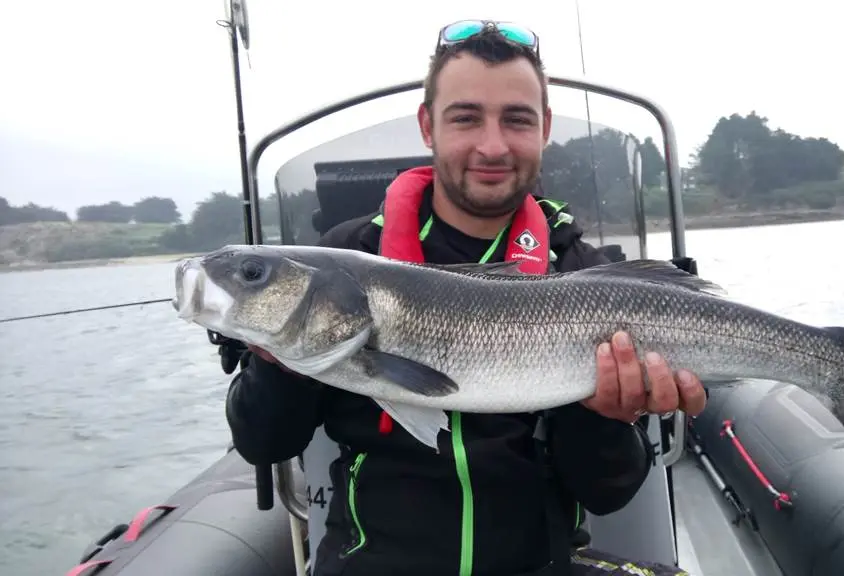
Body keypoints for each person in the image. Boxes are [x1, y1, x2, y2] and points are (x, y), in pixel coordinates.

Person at [225, 19, 707, 576]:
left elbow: (606, 493)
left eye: (517, 120)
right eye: (466, 118)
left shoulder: (583, 274)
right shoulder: (346, 258)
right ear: (428, 126)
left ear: (545, 127)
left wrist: (604, 420)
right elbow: (264, 442)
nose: (493, 145)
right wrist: (278, 358)